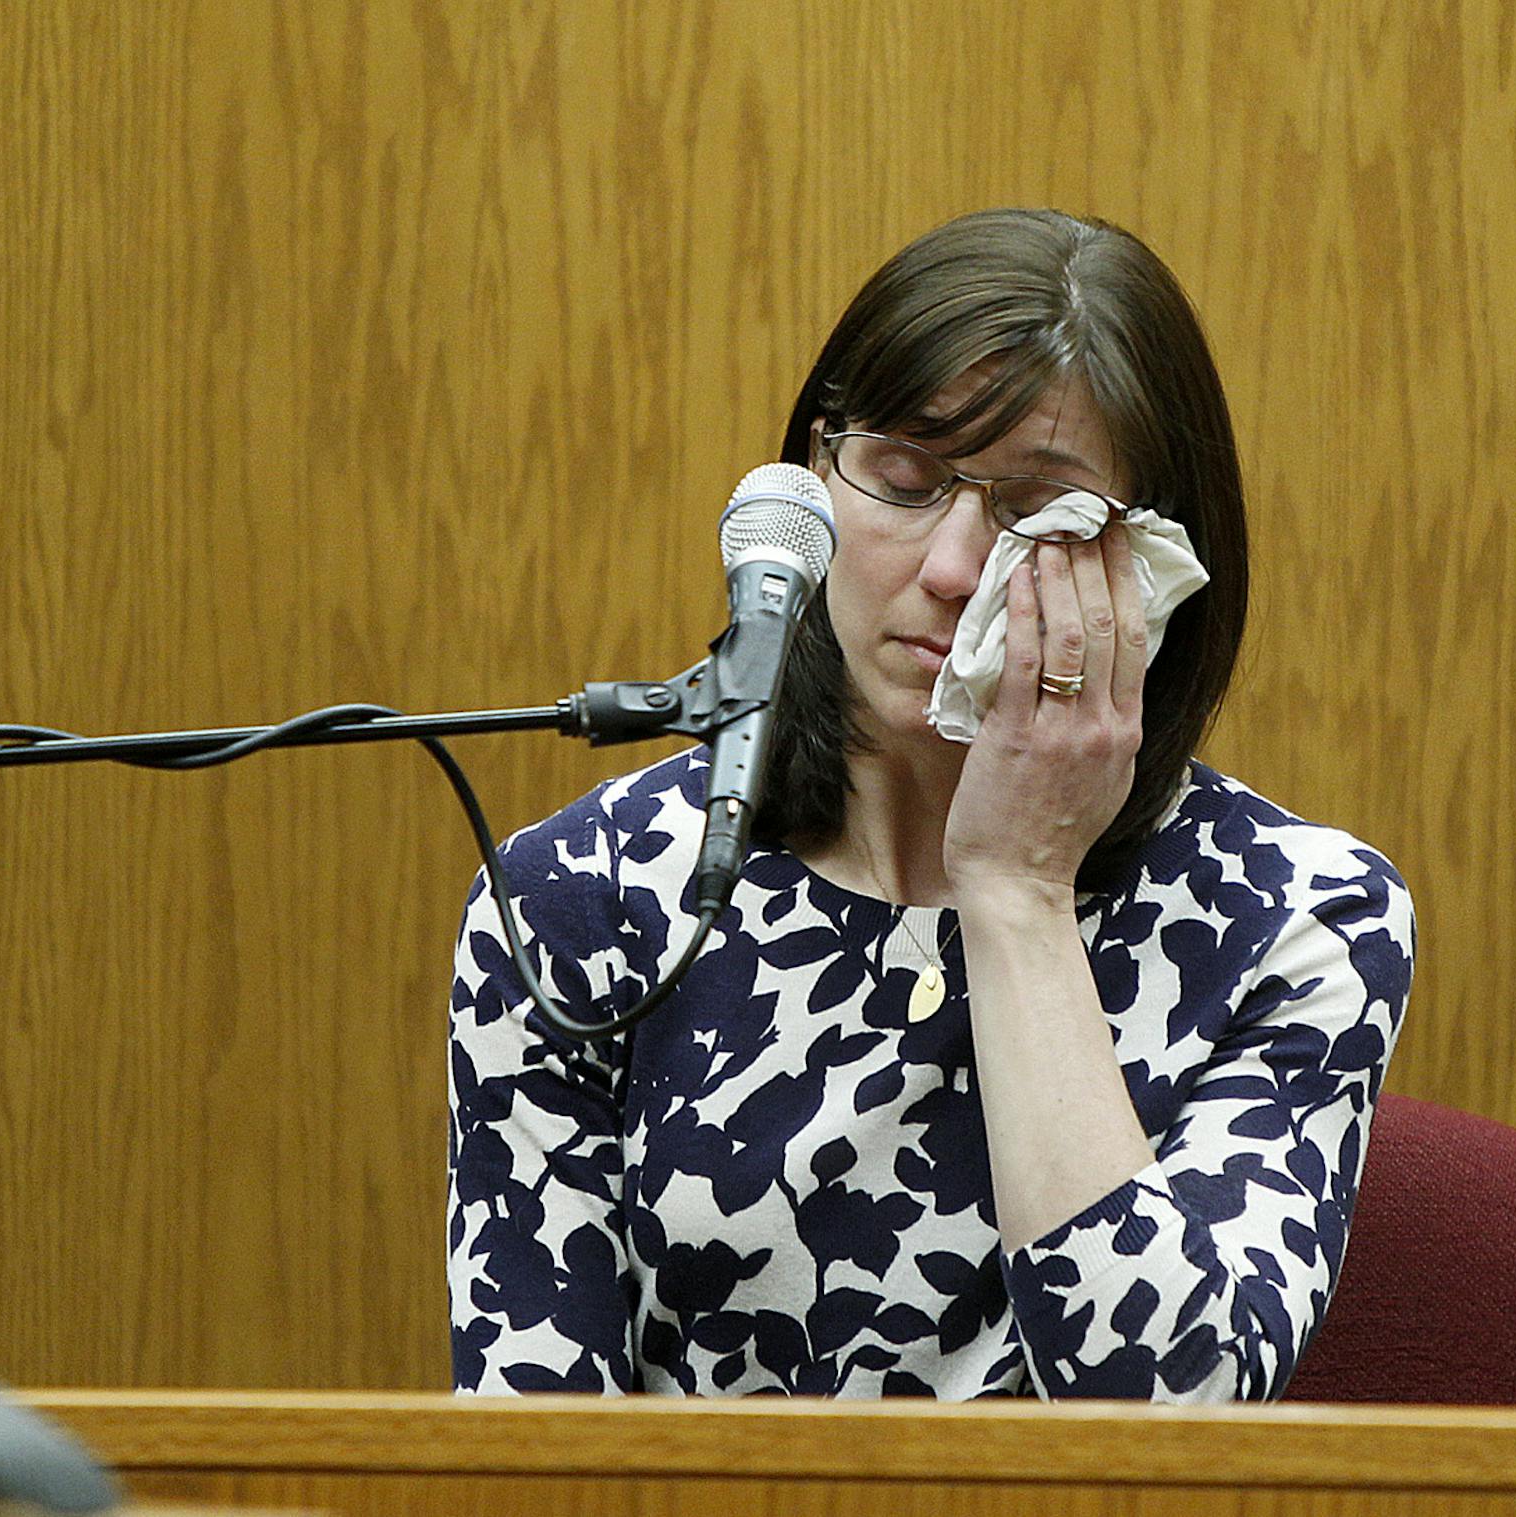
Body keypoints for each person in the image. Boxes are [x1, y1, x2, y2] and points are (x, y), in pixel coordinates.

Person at [447, 208, 1414, 1400]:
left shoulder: (1299, 917)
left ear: (1157, 563)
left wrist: (1018, 888)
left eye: (1033, 515)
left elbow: (1167, 1412)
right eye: (902, 481)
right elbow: (532, 1453)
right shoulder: (582, 900)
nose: (951, 566)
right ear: (810, 483)